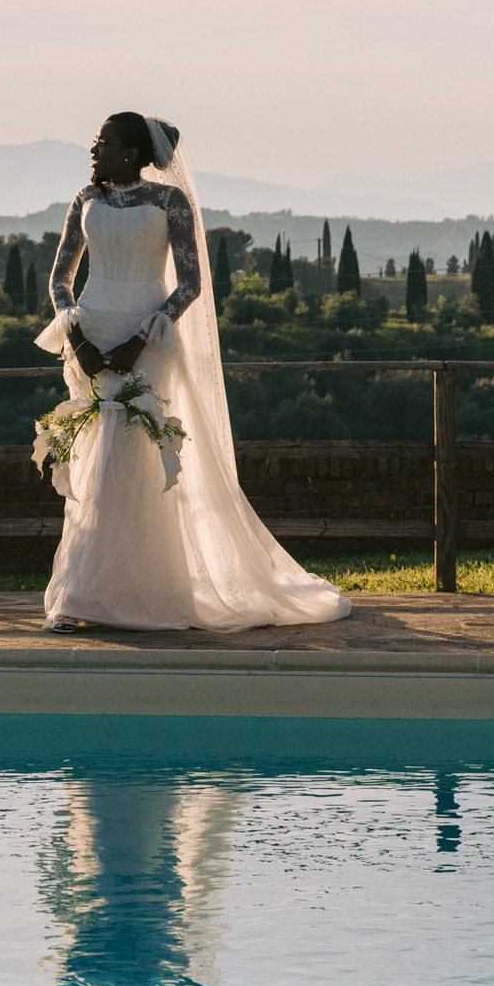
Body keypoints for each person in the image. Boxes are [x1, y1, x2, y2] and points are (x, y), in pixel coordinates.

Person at [35, 112, 351, 632]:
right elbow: (59, 280)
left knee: (137, 462)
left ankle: (144, 593)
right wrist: (78, 339)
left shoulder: (168, 203)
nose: (94, 149)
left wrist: (143, 335)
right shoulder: (85, 200)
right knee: (93, 463)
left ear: (132, 152)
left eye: (104, 142)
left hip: (146, 343)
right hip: (90, 345)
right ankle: (81, 594)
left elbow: (189, 284)